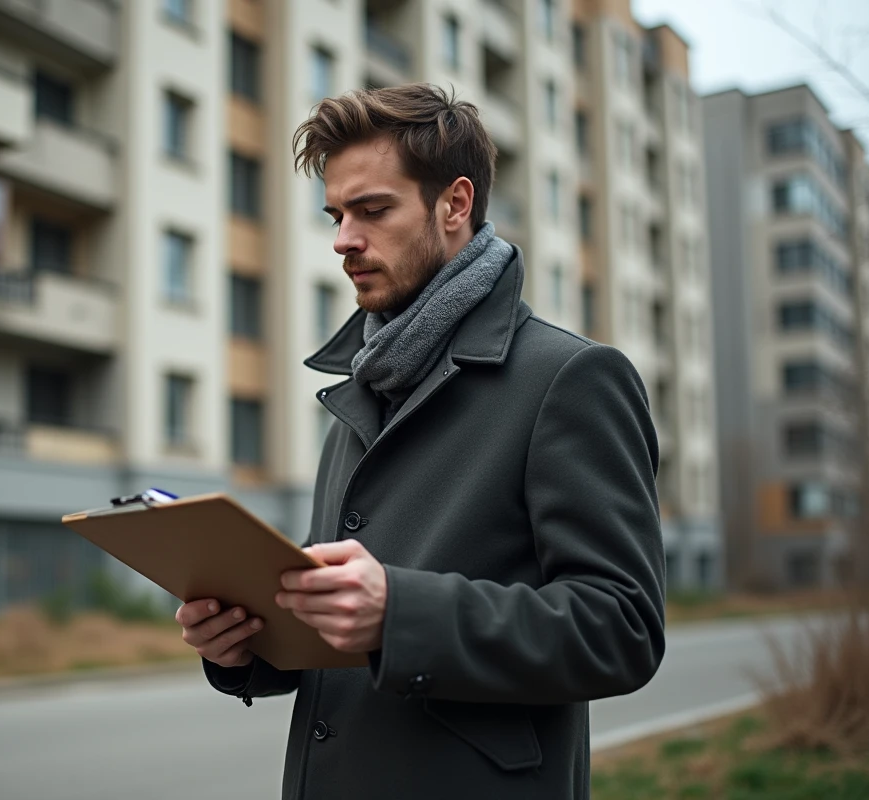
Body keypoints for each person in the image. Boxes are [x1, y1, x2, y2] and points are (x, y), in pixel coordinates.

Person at [175, 83, 665, 799]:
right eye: (336, 214)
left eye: (372, 210)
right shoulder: (362, 384)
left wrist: (400, 613)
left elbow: (621, 627)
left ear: (455, 205)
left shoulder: (570, 378)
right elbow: (345, 629)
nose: (344, 238)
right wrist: (249, 649)